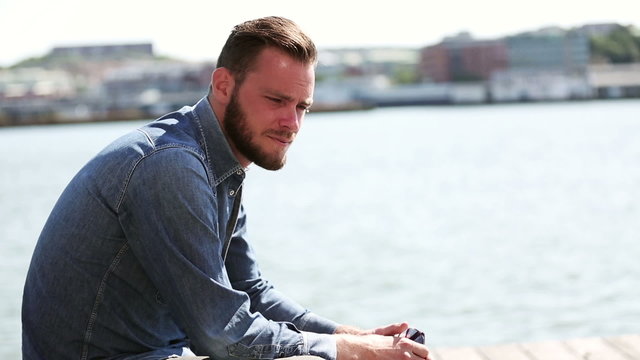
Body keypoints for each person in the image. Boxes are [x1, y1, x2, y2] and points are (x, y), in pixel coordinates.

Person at [22, 16, 431, 360]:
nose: (292, 123)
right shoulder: (172, 166)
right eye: (275, 100)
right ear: (222, 85)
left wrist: (354, 336)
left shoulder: (216, 161)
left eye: (301, 106)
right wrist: (344, 349)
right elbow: (221, 333)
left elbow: (249, 291)